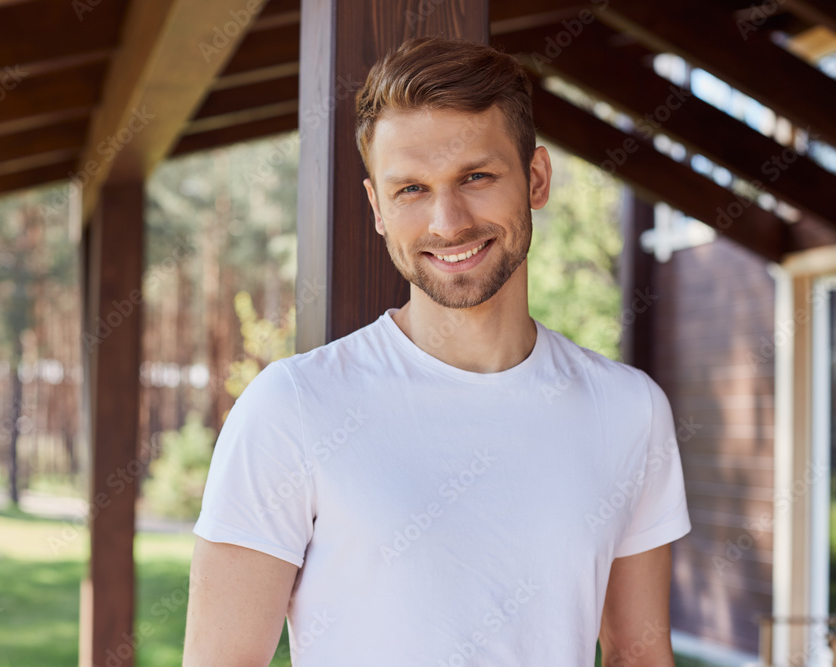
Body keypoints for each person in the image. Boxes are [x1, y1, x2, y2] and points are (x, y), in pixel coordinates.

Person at [182, 36, 691, 667]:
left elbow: (639, 656)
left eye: (476, 176)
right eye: (411, 190)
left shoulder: (629, 410)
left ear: (535, 179)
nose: (448, 222)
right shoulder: (293, 408)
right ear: (377, 207)